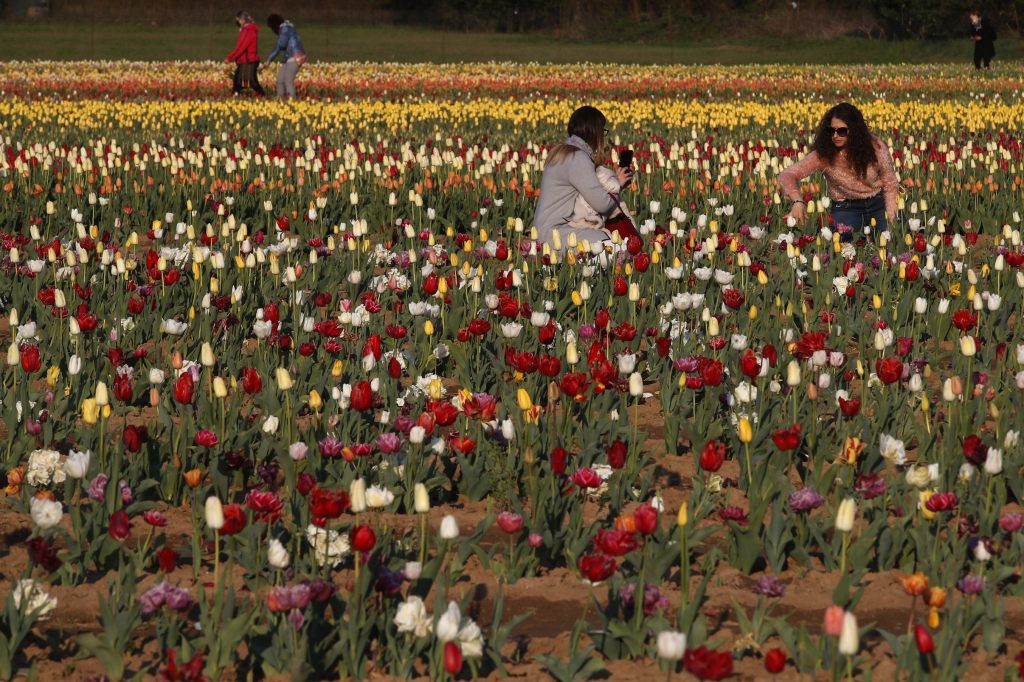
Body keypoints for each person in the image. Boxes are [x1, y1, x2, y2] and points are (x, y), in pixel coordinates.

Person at [778, 102, 899, 240]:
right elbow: (787, 174)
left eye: (841, 131)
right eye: (831, 130)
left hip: (879, 203)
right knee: (846, 247)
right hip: (846, 207)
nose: (835, 135)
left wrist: (891, 220)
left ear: (854, 131)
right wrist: (797, 201)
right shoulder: (824, 154)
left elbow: (891, 185)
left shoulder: (875, 148)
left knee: (894, 240)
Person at [534, 106, 635, 254]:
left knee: (606, 241)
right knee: (612, 246)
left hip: (543, 229)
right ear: (595, 133)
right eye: (603, 132)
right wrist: (617, 185)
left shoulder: (560, 152)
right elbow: (602, 204)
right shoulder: (577, 158)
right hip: (555, 233)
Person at [265, 13, 307, 99]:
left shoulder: (285, 30)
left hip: (295, 57)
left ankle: (292, 100)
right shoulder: (286, 28)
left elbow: (281, 45)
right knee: (280, 79)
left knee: (288, 80)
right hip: (288, 58)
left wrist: (269, 59)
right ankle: (279, 98)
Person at [225, 11, 265, 96]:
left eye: (238, 20)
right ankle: (236, 95)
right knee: (237, 80)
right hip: (246, 59)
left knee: (251, 81)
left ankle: (263, 95)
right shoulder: (247, 30)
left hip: (248, 60)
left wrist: (230, 58)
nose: (238, 23)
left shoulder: (248, 31)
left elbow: (241, 47)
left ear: (243, 20)